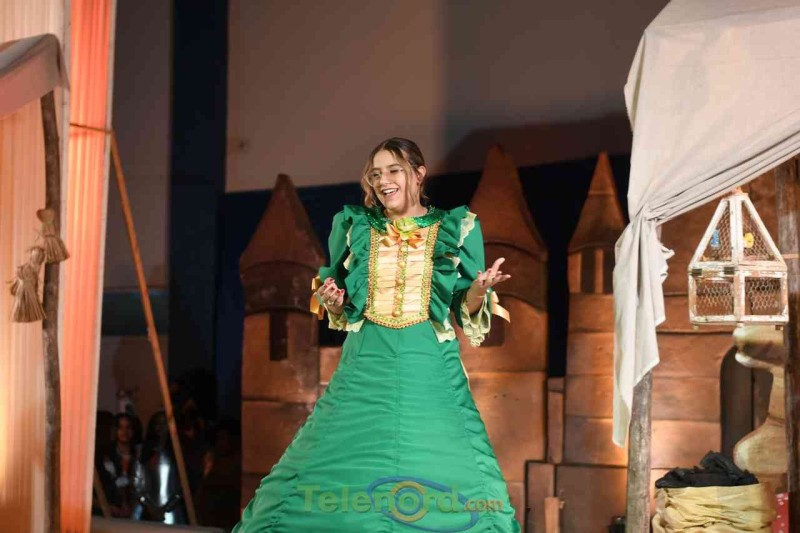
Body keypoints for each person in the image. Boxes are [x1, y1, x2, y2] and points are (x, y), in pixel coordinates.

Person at [234, 137, 521, 532]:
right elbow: (341, 304)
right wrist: (333, 301)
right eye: (375, 174)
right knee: (323, 460)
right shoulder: (355, 227)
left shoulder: (455, 227)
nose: (383, 180)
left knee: (455, 463)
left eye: (393, 170)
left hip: (428, 369)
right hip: (365, 365)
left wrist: (478, 290)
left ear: (418, 174)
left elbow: (463, 308)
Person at [96, 412, 141, 518]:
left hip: (135, 514)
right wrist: (107, 505)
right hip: (108, 513)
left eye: (128, 427)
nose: (124, 432)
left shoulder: (139, 454)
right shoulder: (103, 454)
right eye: (120, 427)